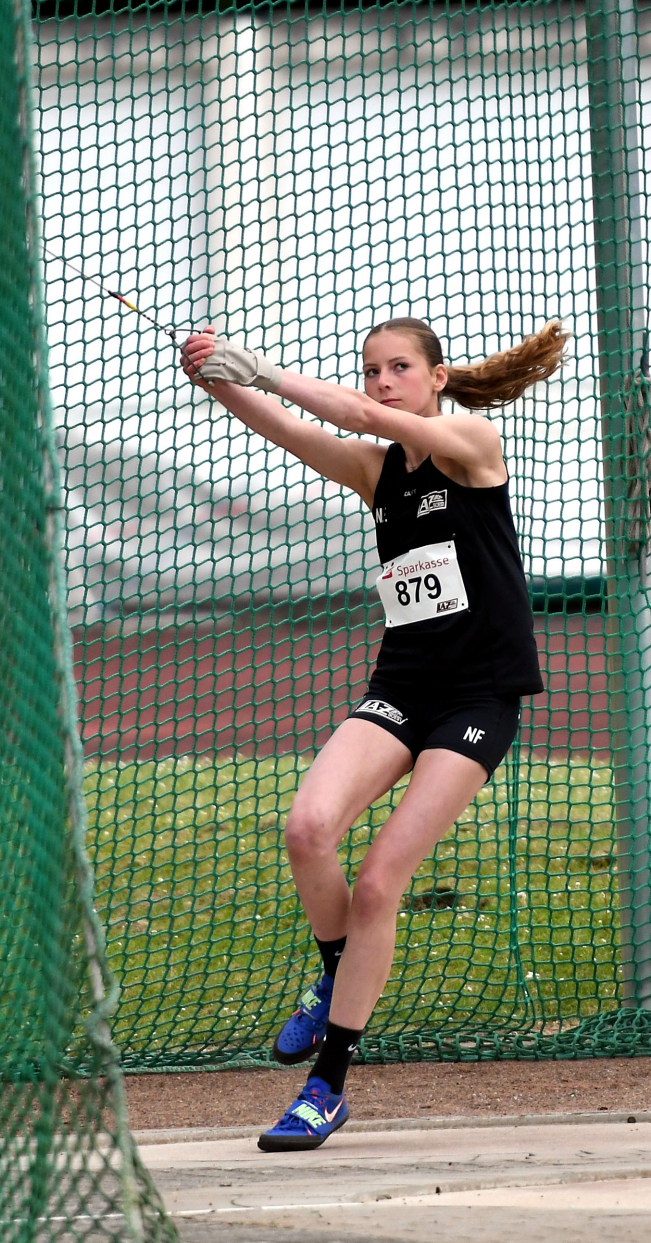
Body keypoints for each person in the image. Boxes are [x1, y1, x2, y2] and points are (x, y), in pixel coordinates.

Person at [180, 317, 567, 1152]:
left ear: (435, 378)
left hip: (479, 697)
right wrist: (220, 378)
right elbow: (289, 427)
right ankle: (333, 979)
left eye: (399, 368)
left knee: (380, 881)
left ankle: (328, 1086)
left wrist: (267, 368)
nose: (383, 381)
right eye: (372, 369)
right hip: (402, 687)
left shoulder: (469, 438)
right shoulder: (375, 470)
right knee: (308, 829)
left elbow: (357, 415)